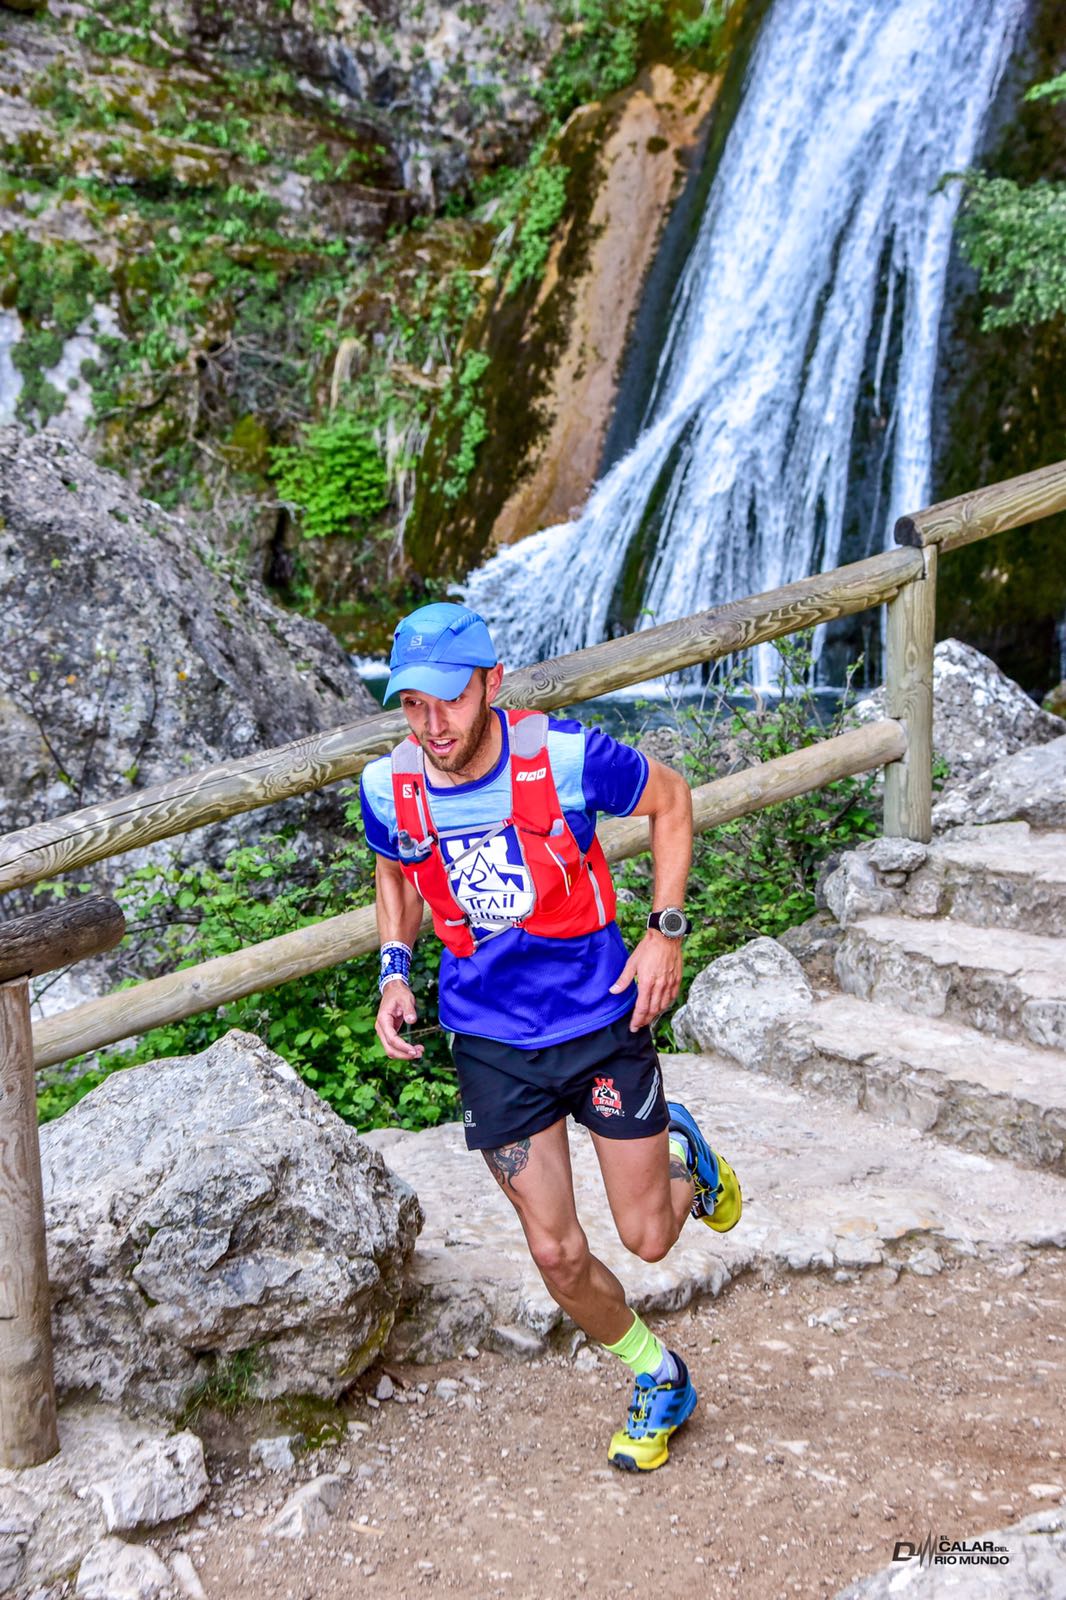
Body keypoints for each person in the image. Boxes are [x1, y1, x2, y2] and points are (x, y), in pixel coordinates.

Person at [359, 601, 742, 1472]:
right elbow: (394, 871)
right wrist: (392, 968)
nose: (432, 725)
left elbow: (672, 799)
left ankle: (686, 1156)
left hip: (602, 1020)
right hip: (492, 1040)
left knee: (648, 1236)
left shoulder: (565, 756)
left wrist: (665, 930)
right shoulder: (389, 786)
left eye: (448, 702)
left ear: (493, 684)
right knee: (554, 1250)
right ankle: (659, 1375)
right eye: (412, 705)